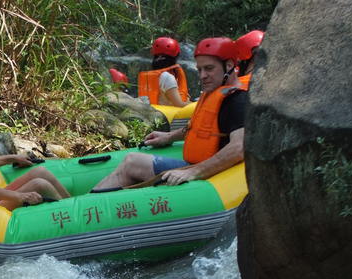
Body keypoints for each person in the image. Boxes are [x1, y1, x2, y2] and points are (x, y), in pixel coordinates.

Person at [91, 37, 247, 190]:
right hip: (196, 164)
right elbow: (198, 128)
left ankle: (83, 208)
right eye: (200, 69)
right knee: (131, 161)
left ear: (229, 65)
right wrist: (169, 136)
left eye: (209, 68)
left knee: (132, 162)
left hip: (209, 176)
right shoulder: (214, 93)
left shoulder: (238, 100)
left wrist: (194, 172)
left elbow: (238, 147)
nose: (202, 76)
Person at [137, 36, 190, 107]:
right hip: (167, 116)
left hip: (152, 112)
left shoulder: (153, 76)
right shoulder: (167, 77)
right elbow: (179, 104)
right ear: (175, 56)